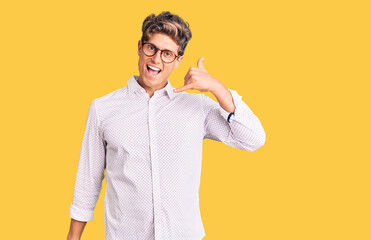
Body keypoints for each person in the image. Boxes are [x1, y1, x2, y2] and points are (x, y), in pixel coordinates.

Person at [67, 11, 266, 240]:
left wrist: (217, 88)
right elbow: (87, 182)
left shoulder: (196, 107)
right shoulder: (103, 109)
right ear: (140, 47)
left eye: (167, 53)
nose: (156, 60)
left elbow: (253, 138)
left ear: (178, 60)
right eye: (151, 48)